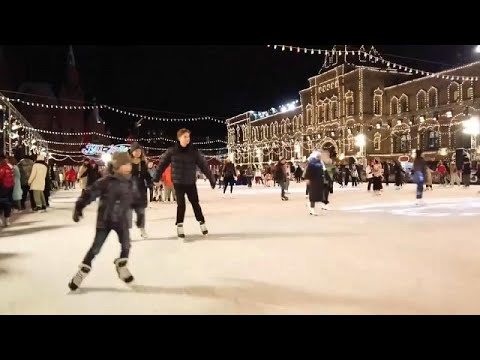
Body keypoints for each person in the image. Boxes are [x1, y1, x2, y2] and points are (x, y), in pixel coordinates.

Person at [68, 152, 140, 291]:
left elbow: (136, 199)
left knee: (126, 245)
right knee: (96, 248)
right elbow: (89, 193)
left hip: (122, 220)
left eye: (129, 164)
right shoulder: (105, 181)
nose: (129, 166)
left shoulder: (130, 182)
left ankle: (121, 266)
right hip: (105, 220)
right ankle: (82, 272)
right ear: (118, 166)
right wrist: (79, 207)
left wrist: (140, 214)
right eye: (126, 164)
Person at [153, 128, 216, 240]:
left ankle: (202, 223)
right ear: (179, 138)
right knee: (181, 205)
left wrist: (211, 178)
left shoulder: (194, 151)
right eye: (185, 137)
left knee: (195, 203)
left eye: (188, 136)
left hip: (190, 182)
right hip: (178, 182)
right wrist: (156, 177)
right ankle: (180, 225)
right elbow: (162, 165)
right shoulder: (172, 151)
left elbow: (203, 165)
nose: (187, 139)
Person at [129, 142, 152, 239]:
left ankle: (142, 229)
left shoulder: (143, 163)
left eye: (139, 151)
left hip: (140, 189)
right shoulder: (126, 162)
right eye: (136, 151)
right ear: (132, 151)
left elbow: (146, 175)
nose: (138, 153)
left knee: (141, 211)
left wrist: (150, 182)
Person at [304, 151, 325, 216]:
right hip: (313, 180)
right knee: (313, 195)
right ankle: (312, 208)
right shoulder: (312, 163)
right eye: (319, 156)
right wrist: (307, 178)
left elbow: (322, 171)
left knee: (317, 195)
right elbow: (308, 171)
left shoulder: (320, 163)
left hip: (319, 180)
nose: (320, 157)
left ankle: (310, 205)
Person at [0, 154, 15, 226]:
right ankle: (7, 219)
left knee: (2, 202)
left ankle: (2, 219)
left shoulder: (2, 167)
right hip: (10, 186)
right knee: (8, 203)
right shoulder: (9, 166)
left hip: (3, 187)